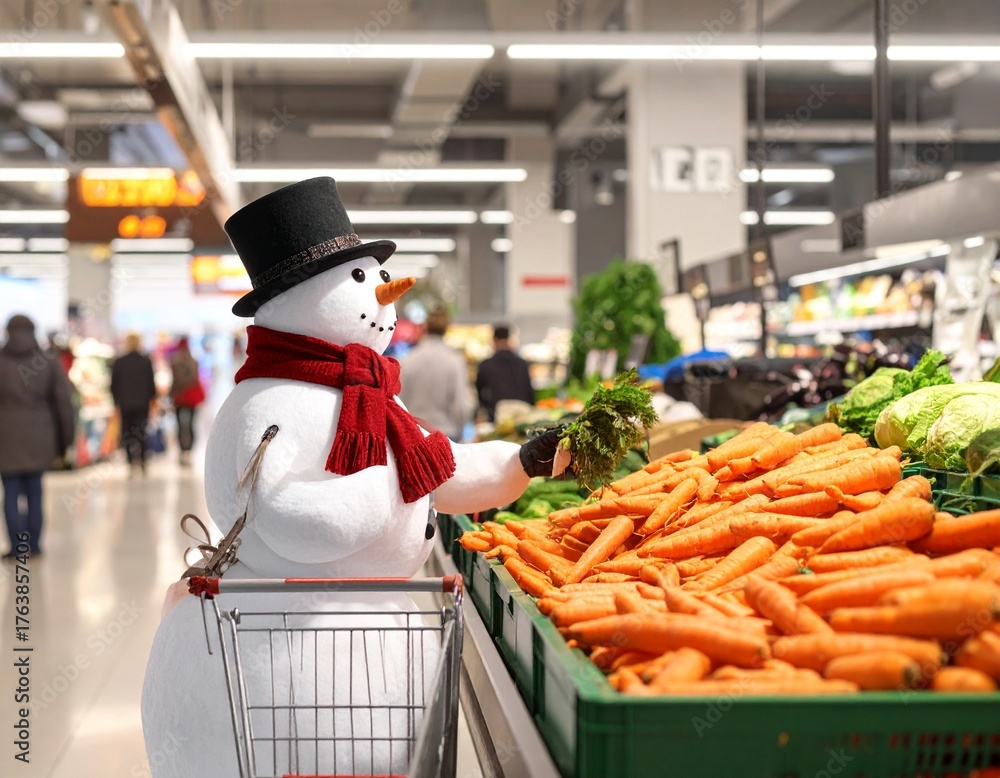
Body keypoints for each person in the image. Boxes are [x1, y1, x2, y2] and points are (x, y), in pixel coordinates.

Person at [0, 315, 75, 556]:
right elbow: (63, 402)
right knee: (35, 491)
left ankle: (16, 547)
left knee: (10, 491)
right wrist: (67, 439)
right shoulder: (47, 360)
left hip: (6, 435)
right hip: (40, 433)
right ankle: (34, 545)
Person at [399, 308, 471, 441]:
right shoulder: (454, 361)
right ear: (446, 329)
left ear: (425, 328)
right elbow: (460, 406)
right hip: (445, 434)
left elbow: (400, 400)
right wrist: (461, 435)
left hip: (414, 435)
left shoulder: (409, 359)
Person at [110, 333, 157, 476]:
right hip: (142, 403)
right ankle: (142, 460)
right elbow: (151, 383)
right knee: (141, 432)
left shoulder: (119, 361)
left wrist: (116, 401)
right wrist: (151, 398)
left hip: (125, 403)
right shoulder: (145, 361)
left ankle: (130, 461)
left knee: (127, 431)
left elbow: (113, 384)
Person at [475, 324, 535, 422]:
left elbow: (480, 394)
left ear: (494, 341)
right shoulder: (522, 364)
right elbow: (529, 392)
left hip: (498, 417)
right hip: (522, 416)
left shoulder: (486, 365)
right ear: (508, 340)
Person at [169, 336, 204, 466]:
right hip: (191, 398)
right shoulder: (193, 361)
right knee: (191, 424)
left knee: (180, 425)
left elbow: (175, 380)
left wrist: (172, 393)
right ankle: (189, 451)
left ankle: (183, 451)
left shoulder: (175, 361)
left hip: (180, 398)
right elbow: (194, 379)